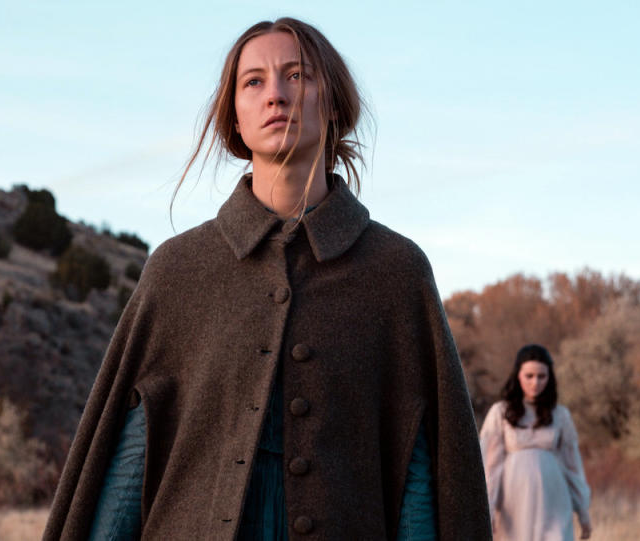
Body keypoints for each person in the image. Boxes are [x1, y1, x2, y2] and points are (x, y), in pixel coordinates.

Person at [43, 17, 491, 540]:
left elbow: (418, 470)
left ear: (334, 101)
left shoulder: (394, 270)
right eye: (253, 81)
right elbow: (130, 459)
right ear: (234, 115)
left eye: (297, 75)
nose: (275, 94)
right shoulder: (179, 270)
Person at [479, 344, 593, 541]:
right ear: (518, 375)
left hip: (554, 501)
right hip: (513, 504)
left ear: (550, 378)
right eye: (529, 376)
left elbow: (573, 466)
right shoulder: (500, 412)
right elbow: (490, 468)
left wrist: (583, 510)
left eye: (542, 376)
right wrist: (486, 511)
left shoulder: (560, 415)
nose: (535, 383)